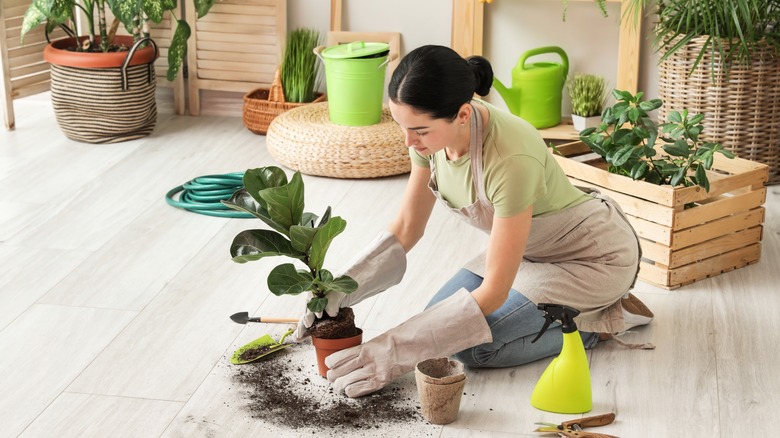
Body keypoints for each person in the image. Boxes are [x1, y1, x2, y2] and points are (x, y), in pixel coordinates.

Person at [292, 44, 653, 398]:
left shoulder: (510, 157)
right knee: (440, 324)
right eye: (401, 125)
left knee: (472, 349)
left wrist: (391, 351)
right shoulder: (430, 137)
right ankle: (571, 312)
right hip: (528, 252)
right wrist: (340, 287)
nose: (407, 140)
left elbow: (494, 291)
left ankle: (598, 325)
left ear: (463, 115)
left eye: (418, 130)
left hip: (589, 258)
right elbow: (407, 228)